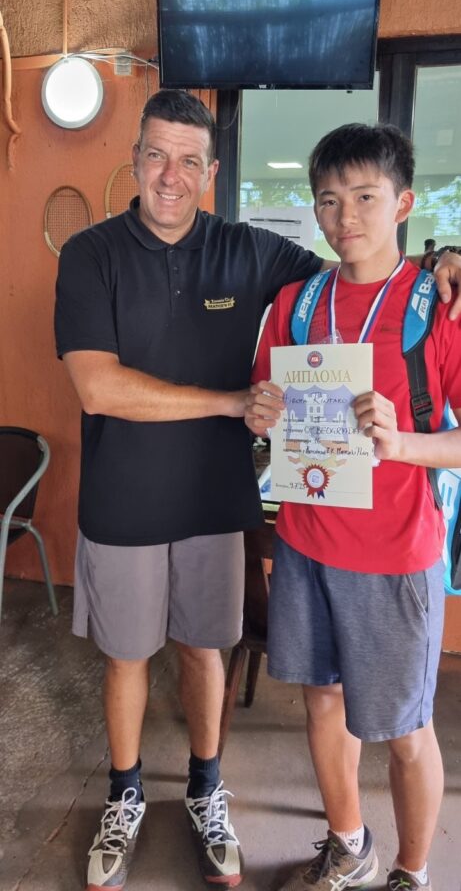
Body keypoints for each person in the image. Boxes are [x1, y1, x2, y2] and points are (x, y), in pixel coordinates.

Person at [55, 91, 461, 891]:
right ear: (133, 160)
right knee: (176, 668)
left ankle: (251, 809)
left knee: (244, 665)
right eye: (154, 155)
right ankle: (148, 799)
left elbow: (366, 267)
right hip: (219, 523)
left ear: (210, 173)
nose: (169, 175)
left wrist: (444, 257)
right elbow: (102, 387)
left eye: (188, 160)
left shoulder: (271, 259)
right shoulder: (106, 257)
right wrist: (244, 404)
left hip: (305, 527)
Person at [245, 123, 461, 891]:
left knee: (404, 730)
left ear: (401, 203)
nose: (345, 217)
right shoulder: (295, 303)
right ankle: (348, 846)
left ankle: (411, 871)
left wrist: (402, 444)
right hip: (305, 542)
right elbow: (266, 409)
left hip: (395, 556)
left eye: (365, 197)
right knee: (321, 703)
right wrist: (260, 414)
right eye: (329, 200)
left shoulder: (437, 308)